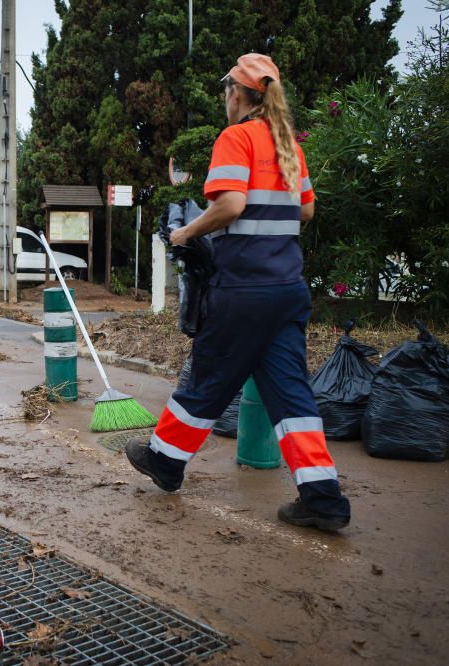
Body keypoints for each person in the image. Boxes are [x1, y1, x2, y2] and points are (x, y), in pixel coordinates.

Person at [125, 53, 351, 532]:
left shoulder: (237, 137)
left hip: (244, 289)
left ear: (239, 94)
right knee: (291, 397)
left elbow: (230, 202)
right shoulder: (288, 144)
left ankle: (165, 461)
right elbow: (307, 212)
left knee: (207, 377)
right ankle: (323, 497)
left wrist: (187, 235)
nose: (225, 99)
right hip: (287, 289)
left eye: (226, 90)